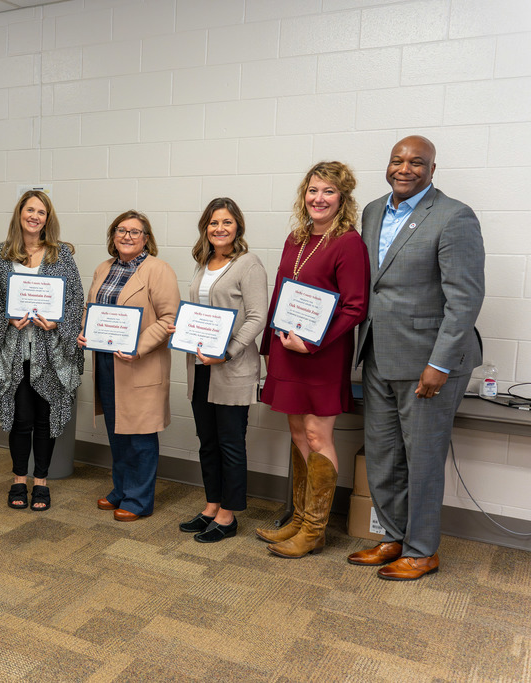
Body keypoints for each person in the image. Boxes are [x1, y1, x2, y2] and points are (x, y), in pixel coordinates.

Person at [348, 136, 485, 581]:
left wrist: (440, 364)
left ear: (432, 168)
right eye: (397, 161)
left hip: (428, 363)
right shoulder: (372, 211)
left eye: (417, 163)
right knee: (384, 455)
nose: (405, 169)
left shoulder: (453, 216)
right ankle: (392, 537)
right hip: (378, 355)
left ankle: (422, 549)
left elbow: (464, 299)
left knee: (422, 459)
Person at [256, 161, 370, 558]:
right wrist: (270, 347)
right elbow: (280, 295)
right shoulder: (297, 238)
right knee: (298, 433)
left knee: (318, 434)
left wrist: (313, 344)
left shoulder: (348, 242)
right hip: (287, 350)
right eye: (313, 190)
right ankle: (299, 521)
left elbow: (355, 307)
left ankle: (315, 530)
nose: (319, 199)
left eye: (328, 192)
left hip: (321, 354)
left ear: (343, 199)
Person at [168, 198, 267, 542]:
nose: (219, 229)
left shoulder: (248, 264)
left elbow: (257, 317)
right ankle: (211, 505)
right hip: (199, 367)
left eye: (226, 222)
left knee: (229, 442)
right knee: (207, 441)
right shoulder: (204, 262)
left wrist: (229, 350)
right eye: (213, 223)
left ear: (237, 226)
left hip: (232, 367)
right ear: (205, 228)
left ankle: (228, 516)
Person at [0, 191, 84, 512]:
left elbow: (75, 301)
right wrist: (5, 319)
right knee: (20, 419)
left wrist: (57, 325)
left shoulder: (61, 256)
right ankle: (18, 479)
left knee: (45, 418)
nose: (35, 216)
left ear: (47, 218)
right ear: (20, 214)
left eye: (41, 212)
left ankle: (41, 481)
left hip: (51, 352)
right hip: (12, 352)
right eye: (30, 210)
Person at [79, 210, 180, 522]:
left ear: (146, 239)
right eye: (121, 230)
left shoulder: (158, 270)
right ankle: (121, 489)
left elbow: (169, 319)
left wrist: (138, 346)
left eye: (135, 232)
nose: (127, 236)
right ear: (113, 235)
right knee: (117, 431)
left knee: (140, 436)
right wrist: (85, 332)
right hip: (108, 364)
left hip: (140, 364)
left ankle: (138, 500)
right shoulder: (103, 268)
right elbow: (93, 308)